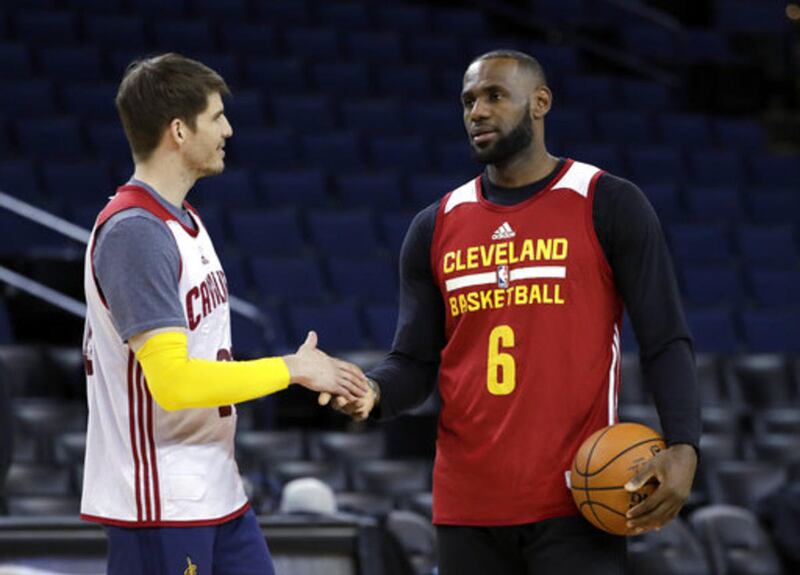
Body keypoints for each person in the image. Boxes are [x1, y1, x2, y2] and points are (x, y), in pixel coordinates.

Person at [321, 50, 701, 574]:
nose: (478, 111)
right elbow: (413, 361)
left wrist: (684, 445)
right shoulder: (435, 225)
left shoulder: (606, 201)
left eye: (495, 96)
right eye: (468, 100)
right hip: (467, 506)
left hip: (577, 500)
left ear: (540, 103)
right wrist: (373, 393)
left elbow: (665, 339)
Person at [80, 53, 369, 575]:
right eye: (216, 117)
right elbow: (173, 383)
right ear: (178, 131)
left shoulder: (184, 218)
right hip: (161, 504)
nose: (229, 130)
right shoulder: (135, 233)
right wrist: (292, 369)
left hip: (215, 490)